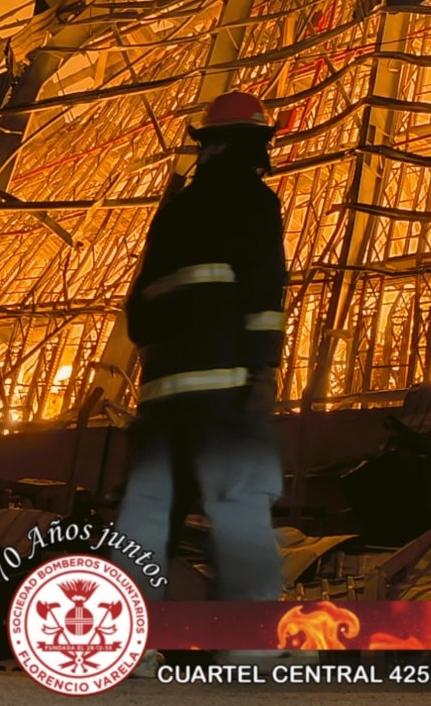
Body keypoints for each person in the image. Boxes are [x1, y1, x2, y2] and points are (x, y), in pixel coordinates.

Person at [112, 91, 287, 613]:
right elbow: (263, 293)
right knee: (239, 508)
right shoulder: (255, 201)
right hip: (226, 389)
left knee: (146, 514)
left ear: (207, 145)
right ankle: (247, 642)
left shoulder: (176, 209)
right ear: (254, 145)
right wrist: (263, 368)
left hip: (161, 395)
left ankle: (125, 637)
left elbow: (138, 311)